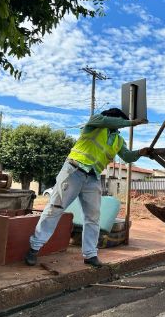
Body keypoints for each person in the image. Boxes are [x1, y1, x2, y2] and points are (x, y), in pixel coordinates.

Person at [25, 108, 151, 267]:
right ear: (112, 118)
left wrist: (140, 152)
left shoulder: (118, 140)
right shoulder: (96, 121)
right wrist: (132, 122)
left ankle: (90, 255)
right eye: (119, 122)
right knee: (55, 208)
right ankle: (34, 248)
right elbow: (107, 121)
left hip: (93, 178)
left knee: (93, 217)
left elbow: (127, 156)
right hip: (73, 171)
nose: (120, 126)